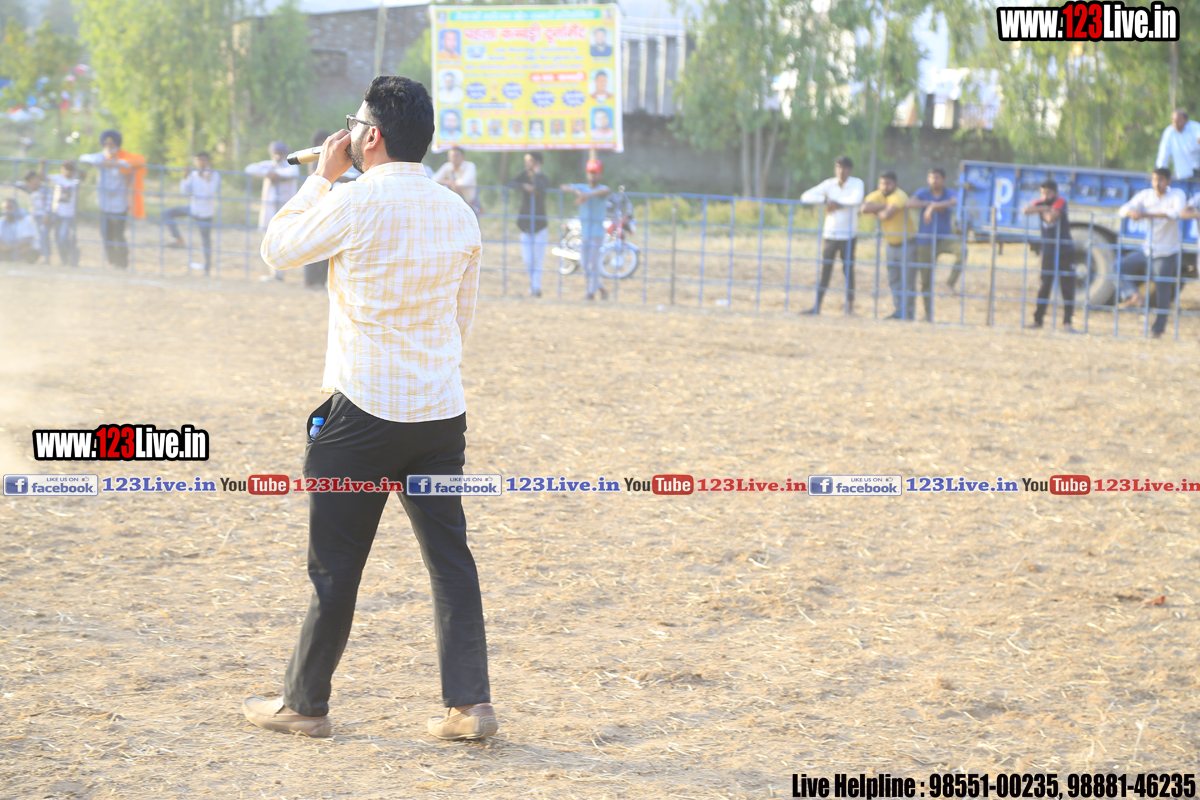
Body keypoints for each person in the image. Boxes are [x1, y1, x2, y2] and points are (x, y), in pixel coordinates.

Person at [246, 75, 492, 742]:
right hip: (439, 413)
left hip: (360, 413)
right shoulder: (459, 211)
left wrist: (320, 179)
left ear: (372, 136)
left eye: (355, 124)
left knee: (336, 566)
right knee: (451, 559)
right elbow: (461, 319)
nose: (349, 133)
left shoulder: (352, 201)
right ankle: (470, 706)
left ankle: (305, 704)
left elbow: (277, 250)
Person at [1118, 168, 1186, 338]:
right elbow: (1122, 209)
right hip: (1147, 249)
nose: (1157, 183)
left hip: (1167, 251)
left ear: (1168, 181)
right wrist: (1132, 212)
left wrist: (1145, 214)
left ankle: (1158, 330)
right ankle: (1133, 294)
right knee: (1117, 267)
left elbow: (1175, 213)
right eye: (1154, 179)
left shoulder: (1177, 195)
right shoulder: (1146, 195)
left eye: (1161, 179)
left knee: (1163, 290)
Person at [799, 156, 864, 315]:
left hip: (848, 235)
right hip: (830, 234)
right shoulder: (829, 184)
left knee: (848, 271)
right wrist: (826, 201)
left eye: (845, 168)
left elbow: (855, 199)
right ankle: (817, 307)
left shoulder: (857, 183)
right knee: (825, 271)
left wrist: (834, 202)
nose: (841, 171)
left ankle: (849, 309)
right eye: (839, 167)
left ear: (850, 170)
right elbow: (805, 196)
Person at [79, 129, 146, 269]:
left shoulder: (124, 157)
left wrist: (118, 163)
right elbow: (83, 157)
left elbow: (139, 160)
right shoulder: (101, 157)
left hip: (119, 204)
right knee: (105, 234)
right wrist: (102, 161)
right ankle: (113, 261)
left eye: (111, 143)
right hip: (104, 203)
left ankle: (122, 262)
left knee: (118, 234)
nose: (109, 146)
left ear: (117, 144)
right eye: (106, 143)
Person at [906, 167, 962, 317]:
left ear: (943, 179)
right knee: (926, 280)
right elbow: (909, 203)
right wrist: (928, 204)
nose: (933, 180)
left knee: (962, 251)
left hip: (944, 237)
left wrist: (934, 206)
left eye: (937, 177)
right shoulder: (923, 193)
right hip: (925, 240)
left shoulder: (949, 192)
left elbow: (956, 201)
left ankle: (949, 284)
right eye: (931, 177)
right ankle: (928, 314)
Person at [860, 171, 916, 319]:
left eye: (888, 183)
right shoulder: (879, 195)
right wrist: (884, 205)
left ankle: (909, 313)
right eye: (882, 183)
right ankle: (899, 311)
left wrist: (876, 210)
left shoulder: (899, 195)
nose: (884, 186)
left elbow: (887, 215)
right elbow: (864, 208)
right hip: (891, 245)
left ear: (895, 184)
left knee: (908, 281)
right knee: (894, 280)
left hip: (907, 244)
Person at [1022, 180, 1076, 331]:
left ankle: (1067, 322)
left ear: (1055, 193)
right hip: (1048, 252)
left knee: (1067, 288)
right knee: (1044, 287)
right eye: (1043, 193)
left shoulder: (1061, 201)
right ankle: (1037, 321)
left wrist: (1042, 209)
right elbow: (1026, 210)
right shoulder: (1041, 203)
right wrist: (1045, 208)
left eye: (1049, 193)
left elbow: (1050, 217)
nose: (1045, 196)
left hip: (1065, 251)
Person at [245, 141, 300, 281]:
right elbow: (249, 168)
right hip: (269, 209)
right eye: (275, 153)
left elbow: (292, 172)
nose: (278, 156)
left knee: (284, 240)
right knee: (269, 239)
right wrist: (268, 173)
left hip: (285, 209)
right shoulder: (268, 165)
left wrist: (276, 174)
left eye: (280, 153)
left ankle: (281, 272)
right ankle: (275, 274)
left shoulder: (290, 165)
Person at [561, 158, 610, 300]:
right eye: (590, 172)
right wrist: (576, 191)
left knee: (593, 264)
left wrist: (586, 195)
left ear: (600, 174)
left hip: (597, 233)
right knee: (584, 264)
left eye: (595, 173)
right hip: (584, 232)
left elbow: (606, 191)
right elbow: (563, 186)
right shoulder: (582, 187)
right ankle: (602, 289)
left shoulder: (601, 189)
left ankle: (591, 293)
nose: (592, 176)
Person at [165, 151, 221, 274]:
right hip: (193, 208)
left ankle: (207, 269)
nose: (200, 163)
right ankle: (179, 239)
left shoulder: (214, 175)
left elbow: (210, 193)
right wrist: (185, 176)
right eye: (198, 160)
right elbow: (184, 192)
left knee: (205, 240)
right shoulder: (194, 174)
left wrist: (206, 179)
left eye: (203, 160)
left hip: (205, 212)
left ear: (208, 162)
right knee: (167, 213)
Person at [505, 152, 550, 297]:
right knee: (527, 259)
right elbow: (509, 183)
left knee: (538, 259)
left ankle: (535, 288)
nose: (527, 163)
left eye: (530, 160)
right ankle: (534, 286)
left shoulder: (543, 178)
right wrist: (524, 186)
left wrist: (536, 174)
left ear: (537, 162)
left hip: (539, 223)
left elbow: (538, 187)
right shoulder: (523, 175)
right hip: (525, 222)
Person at [48, 160, 83, 266]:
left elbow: (84, 175)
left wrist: (76, 167)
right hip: (57, 213)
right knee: (58, 238)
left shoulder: (75, 181)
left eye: (71, 169)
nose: (68, 171)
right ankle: (65, 259)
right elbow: (42, 178)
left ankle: (73, 254)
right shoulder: (58, 178)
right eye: (66, 168)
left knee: (63, 237)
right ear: (62, 169)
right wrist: (42, 164)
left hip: (68, 215)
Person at [1155, 108, 1200, 180]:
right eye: (1173, 120)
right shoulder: (1169, 133)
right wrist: (1159, 173)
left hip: (1198, 172)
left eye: (1178, 119)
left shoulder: (1195, 127)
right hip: (1182, 175)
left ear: (1186, 119)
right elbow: (1163, 155)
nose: (1175, 122)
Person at [20, 164, 51, 263]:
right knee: (35, 237)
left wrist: (46, 215)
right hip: (33, 217)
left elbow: (48, 204)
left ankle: (46, 257)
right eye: (31, 180)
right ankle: (35, 256)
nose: (34, 181)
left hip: (43, 216)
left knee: (44, 235)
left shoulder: (44, 190)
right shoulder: (29, 189)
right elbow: (18, 184)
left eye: (35, 178)